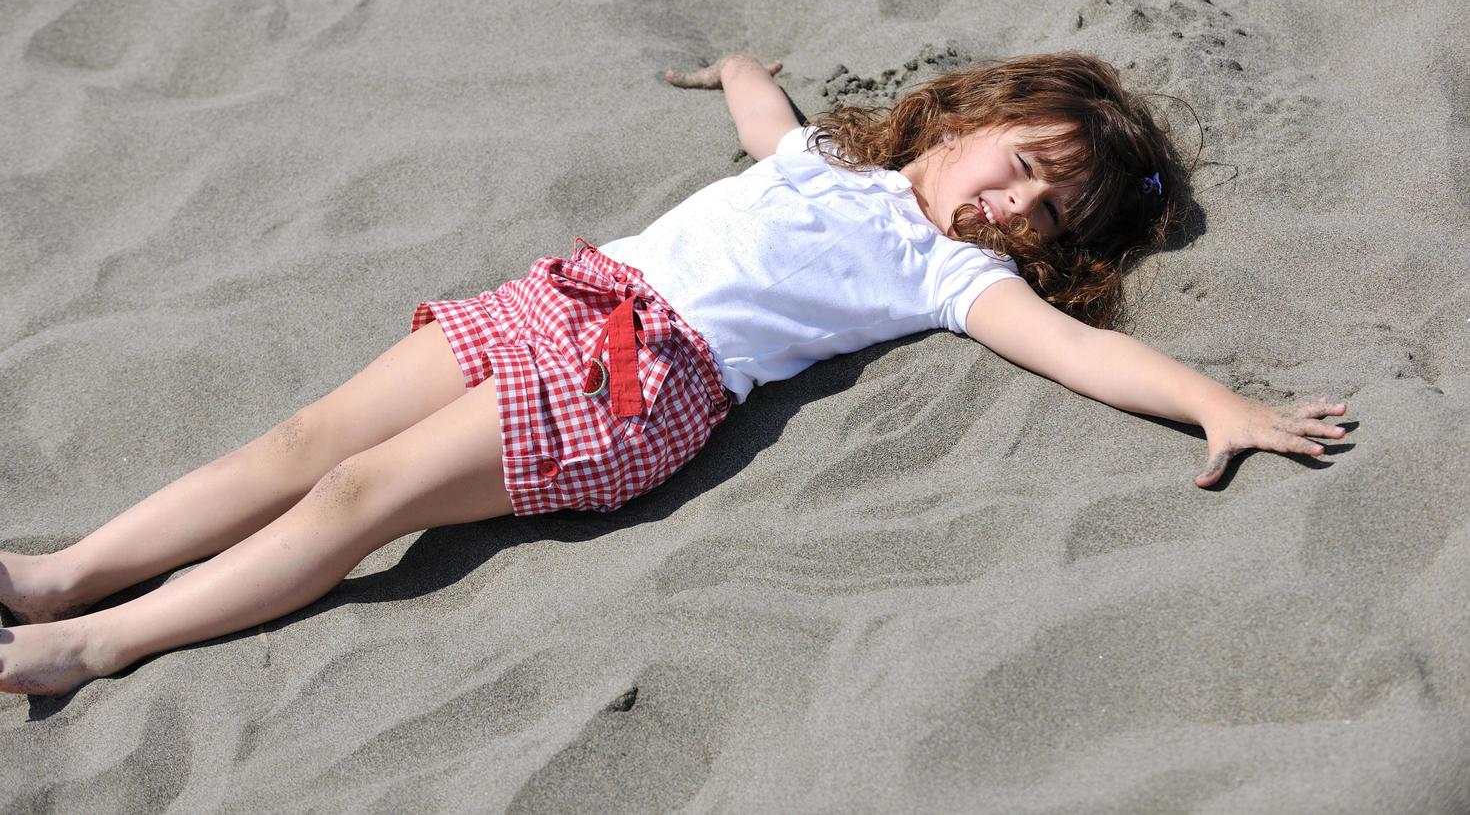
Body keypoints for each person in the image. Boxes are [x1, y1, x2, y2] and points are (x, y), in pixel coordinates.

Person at [0, 51, 1349, 697]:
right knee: (304, 440)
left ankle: (95, 644)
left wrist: (1214, 402)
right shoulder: (829, 157)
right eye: (1025, 166)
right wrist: (738, 69)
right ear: (975, 117)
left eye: (1051, 214)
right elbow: (769, 126)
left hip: (639, 380)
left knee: (363, 493)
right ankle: (62, 573)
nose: (1015, 206)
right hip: (560, 296)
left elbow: (1079, 348)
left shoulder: (948, 277)